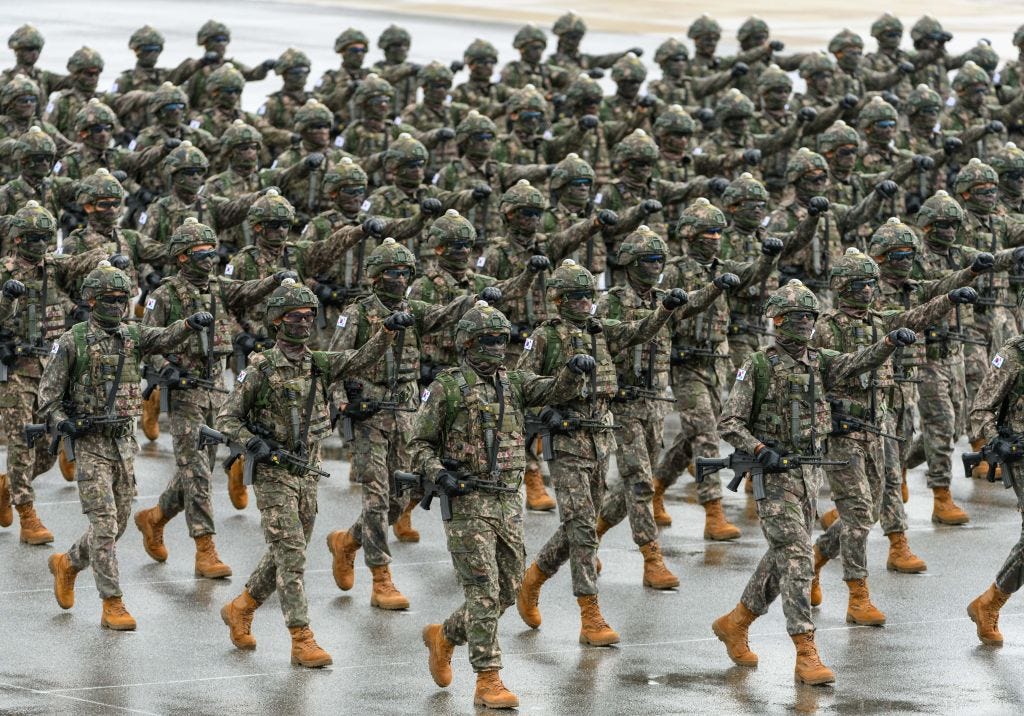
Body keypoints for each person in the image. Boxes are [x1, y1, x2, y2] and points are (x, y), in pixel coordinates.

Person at [712, 278, 913, 684]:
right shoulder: (758, 365)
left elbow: (859, 361)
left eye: (809, 316)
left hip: (809, 474)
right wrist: (756, 448)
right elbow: (729, 421)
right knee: (799, 558)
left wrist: (890, 342)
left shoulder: (821, 362)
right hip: (774, 477)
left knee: (784, 555)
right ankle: (806, 651)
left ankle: (737, 620)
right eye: (796, 317)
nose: (804, 324)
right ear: (777, 320)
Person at [411, 300, 593, 709]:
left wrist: (573, 370)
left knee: (508, 589)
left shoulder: (514, 383)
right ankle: (488, 679)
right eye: (486, 340)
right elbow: (417, 444)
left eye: (501, 339)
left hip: (508, 501)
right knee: (482, 590)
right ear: (467, 343)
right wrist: (438, 472)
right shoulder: (448, 386)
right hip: (466, 500)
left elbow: (553, 390)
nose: (496, 347)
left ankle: (445, 635)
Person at [515, 259, 689, 645]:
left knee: (580, 523)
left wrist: (664, 310)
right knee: (581, 529)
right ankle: (590, 614)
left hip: (600, 441)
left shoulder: (600, 332)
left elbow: (637, 330)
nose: (583, 304)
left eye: (588, 296)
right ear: (558, 299)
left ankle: (534, 578)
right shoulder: (545, 337)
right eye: (575, 297)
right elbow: (521, 383)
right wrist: (559, 385)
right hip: (565, 441)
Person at [42, 260, 213, 630]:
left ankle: (68, 563)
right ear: (90, 300)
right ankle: (113, 602)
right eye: (110, 299)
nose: (118, 307)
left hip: (123, 443)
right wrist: (63, 423)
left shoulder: (133, 335)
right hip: (89, 445)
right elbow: (49, 399)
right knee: (104, 525)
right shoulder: (72, 342)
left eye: (124, 300)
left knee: (118, 524)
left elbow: (164, 336)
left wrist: (189, 325)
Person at [133, 218, 300, 577]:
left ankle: (155, 517)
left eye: (213, 252)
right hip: (185, 392)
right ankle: (205, 548)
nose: (210, 259)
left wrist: (275, 279)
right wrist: (165, 367)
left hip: (218, 388)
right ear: (181, 257)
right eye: (201, 253)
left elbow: (248, 290)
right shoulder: (163, 295)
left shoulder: (218, 288)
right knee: (196, 471)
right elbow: (146, 341)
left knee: (200, 467)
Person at [0, 202, 109, 544]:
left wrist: (107, 261)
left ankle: (11, 488)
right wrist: (6, 298)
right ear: (17, 239)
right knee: (22, 441)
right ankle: (27, 513)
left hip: (52, 368)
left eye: (45, 237)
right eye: (32, 237)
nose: (39, 244)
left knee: (51, 445)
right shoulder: (4, 273)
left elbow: (80, 261)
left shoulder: (53, 269)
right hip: (17, 369)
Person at [965, 332, 1024, 646]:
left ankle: (989, 600)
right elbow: (981, 409)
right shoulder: (1013, 354)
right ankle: (991, 602)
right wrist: (996, 440)